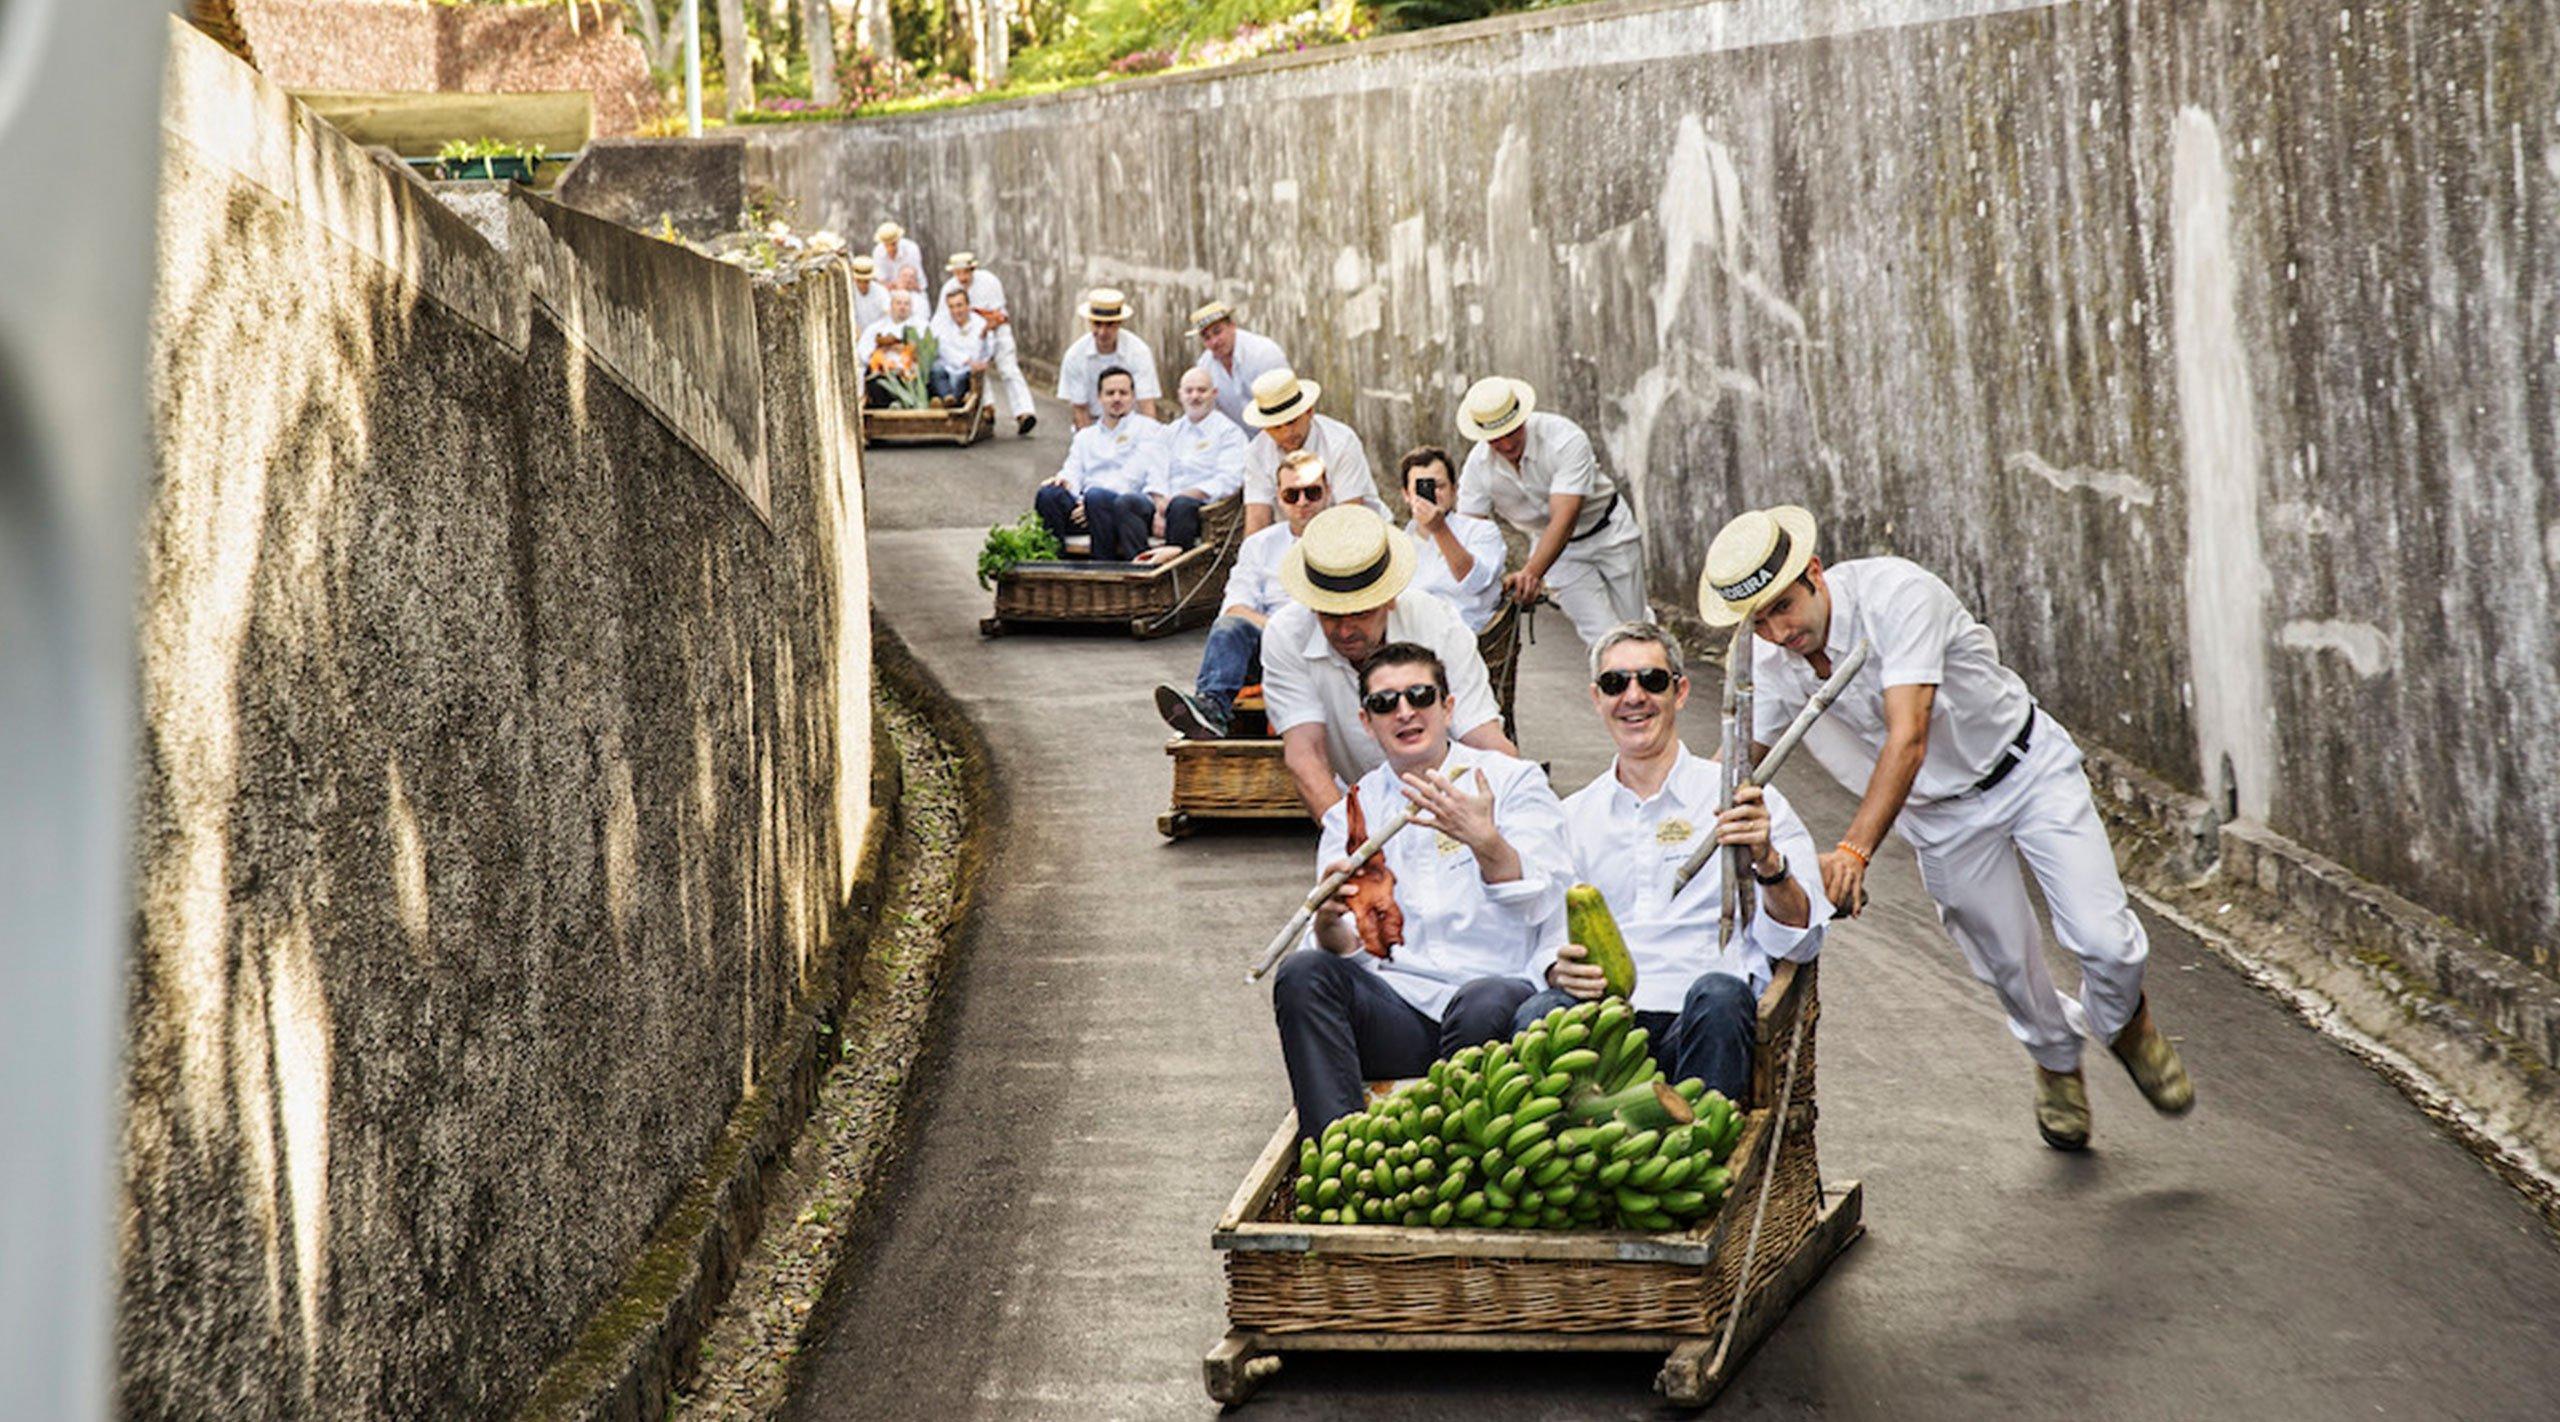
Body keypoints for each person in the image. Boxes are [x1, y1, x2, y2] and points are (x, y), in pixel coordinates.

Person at [1706, 505, 2195, 1150]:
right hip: (1939, 817)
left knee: (2103, 940)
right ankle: (2055, 1060)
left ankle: (2126, 1024)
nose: (1777, 631)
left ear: (1815, 573)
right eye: (1759, 620)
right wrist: (1668, 807)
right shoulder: (1773, 663)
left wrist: (1855, 849)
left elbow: (1909, 735)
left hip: (2027, 772)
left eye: (1783, 607)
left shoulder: (1898, 595)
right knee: (2005, 965)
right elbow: (1742, 762)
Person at [1509, 623, 1829, 1104]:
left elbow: (1801, 939)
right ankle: (1566, 1167)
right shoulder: (1570, 817)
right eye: (1617, 684)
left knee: (1720, 996)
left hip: (1697, 1016)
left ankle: (1699, 1162)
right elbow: (1545, 940)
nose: (1633, 696)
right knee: (1537, 1012)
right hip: (1602, 1028)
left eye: (1651, 681)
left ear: (1679, 692)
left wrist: (1767, 861)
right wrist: (1558, 971)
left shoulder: (1741, 800)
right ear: (1597, 698)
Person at [1270, 641, 1569, 1133]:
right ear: (1367, 722)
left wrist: (1486, 843)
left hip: (1495, 1008)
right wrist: (1327, 923)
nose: (1405, 712)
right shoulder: (1358, 804)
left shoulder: (1512, 782)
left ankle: (1457, 1160)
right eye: (1386, 703)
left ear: (1447, 707)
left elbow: (1548, 899)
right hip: (1402, 1011)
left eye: (1420, 696)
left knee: (1485, 1000)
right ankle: (1334, 1154)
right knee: (1304, 972)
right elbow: (1348, 949)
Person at [1262, 505, 1518, 820]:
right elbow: (1306, 756)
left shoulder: (1437, 622)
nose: (1344, 630)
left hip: (1456, 797)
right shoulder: (1286, 635)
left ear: (1390, 598)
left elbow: (1484, 738)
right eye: (1329, 614)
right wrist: (1352, 844)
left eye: (1361, 613)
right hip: (1364, 803)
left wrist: (1520, 804)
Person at [1455, 376, 1650, 645]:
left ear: (1522, 418)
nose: (1508, 445)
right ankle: (1611, 682)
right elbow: (1469, 530)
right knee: (1603, 637)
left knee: (1636, 626)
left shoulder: (1563, 438)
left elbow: (1565, 517)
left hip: (1609, 532)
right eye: (1495, 440)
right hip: (1557, 554)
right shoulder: (1477, 466)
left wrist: (1531, 573)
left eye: (1512, 432)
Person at [1153, 449, 1330, 741]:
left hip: (1327, 647)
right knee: (1229, 629)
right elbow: (1235, 608)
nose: (1302, 503)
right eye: (1292, 495)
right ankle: (1211, 709)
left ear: (1327, 492)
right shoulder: (1260, 545)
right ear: (1278, 496)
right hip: (1269, 645)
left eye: (1312, 493)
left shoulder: (1346, 542)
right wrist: (1279, 630)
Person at [1034, 368, 1166, 562]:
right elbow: (1073, 470)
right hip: (1086, 510)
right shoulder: (1085, 437)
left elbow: (1133, 477)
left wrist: (1089, 502)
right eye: (1110, 393)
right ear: (1099, 398)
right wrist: (1063, 481)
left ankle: (1102, 566)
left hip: (1127, 510)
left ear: (1133, 397)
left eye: (1123, 393)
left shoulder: (1148, 430)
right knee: (1048, 494)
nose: (1116, 398)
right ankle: (1056, 565)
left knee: (1097, 497)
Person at [1240, 367, 1381, 535]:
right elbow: (1257, 518)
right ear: (1264, 428)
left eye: (1292, 422)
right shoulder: (1256, 452)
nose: (1287, 433)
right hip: (1294, 540)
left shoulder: (1341, 442)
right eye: (1276, 427)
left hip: (1358, 534)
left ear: (1309, 411)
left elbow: (1350, 514)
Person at [1397, 445, 1507, 632]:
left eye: (1439, 486)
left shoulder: (1481, 531)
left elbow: (1476, 582)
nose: (1433, 495)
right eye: (1422, 488)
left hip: (1465, 635)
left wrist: (1440, 530)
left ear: (1454, 490)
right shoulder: (1397, 545)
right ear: (1406, 495)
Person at [1147, 366, 1250, 552]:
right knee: (1127, 505)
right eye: (1189, 391)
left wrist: (1182, 497)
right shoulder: (1169, 432)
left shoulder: (1229, 433)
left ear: (1214, 393)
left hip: (1205, 509)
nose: (1195, 396)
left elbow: (1229, 480)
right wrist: (1160, 506)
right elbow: (1156, 472)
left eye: (1202, 390)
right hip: (1166, 504)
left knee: (1181, 506)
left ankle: (1175, 576)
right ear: (1180, 395)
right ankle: (1139, 572)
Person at [938, 251, 1036, 436]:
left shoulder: (989, 282)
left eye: (965, 272)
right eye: (958, 273)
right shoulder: (949, 288)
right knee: (978, 370)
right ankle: (987, 408)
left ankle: (1024, 412)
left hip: (996, 329)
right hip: (969, 334)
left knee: (1008, 368)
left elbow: (998, 314)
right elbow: (943, 317)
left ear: (972, 269)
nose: (962, 277)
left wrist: (986, 325)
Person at [1057, 288, 1162, 426]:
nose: (1102, 332)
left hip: (1132, 425)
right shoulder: (1075, 356)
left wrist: (1149, 440)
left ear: (1119, 323)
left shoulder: (1139, 352)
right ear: (1089, 322)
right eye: (1097, 324)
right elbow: (1080, 409)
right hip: (1092, 424)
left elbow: (1146, 404)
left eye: (1109, 325)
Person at [1188, 300, 1290, 432]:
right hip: (1239, 443)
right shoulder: (1205, 366)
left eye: (1218, 332)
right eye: (1206, 337)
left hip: (1281, 433)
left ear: (1232, 326)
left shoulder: (1264, 352)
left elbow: (1285, 406)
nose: (1214, 342)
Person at [857, 289, 930, 408]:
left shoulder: (921, 326)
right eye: (899, 303)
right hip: (883, 373)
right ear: (891, 306)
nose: (902, 307)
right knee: (876, 383)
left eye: (906, 304)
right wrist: (881, 349)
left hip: (910, 374)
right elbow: (862, 352)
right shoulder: (875, 328)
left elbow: (926, 353)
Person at [925, 286, 990, 406]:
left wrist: (973, 363)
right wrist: (965, 360)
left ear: (968, 305)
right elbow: (941, 346)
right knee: (936, 370)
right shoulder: (940, 321)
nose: (956, 311)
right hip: (945, 366)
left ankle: (948, 402)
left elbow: (981, 351)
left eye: (959, 305)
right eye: (951, 307)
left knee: (961, 378)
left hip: (967, 370)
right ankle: (947, 398)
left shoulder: (980, 324)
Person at [871, 221, 925, 291]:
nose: (890, 248)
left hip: (914, 291)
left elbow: (914, 280)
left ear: (898, 239)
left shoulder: (911, 249)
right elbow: (881, 282)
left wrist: (901, 285)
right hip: (889, 293)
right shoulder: (877, 252)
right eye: (887, 244)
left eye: (893, 243)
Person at [848, 254, 892, 331]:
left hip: (877, 334)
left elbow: (888, 312)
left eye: (866, 281)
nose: (862, 285)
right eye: (859, 281)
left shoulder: (881, 291)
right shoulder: (849, 291)